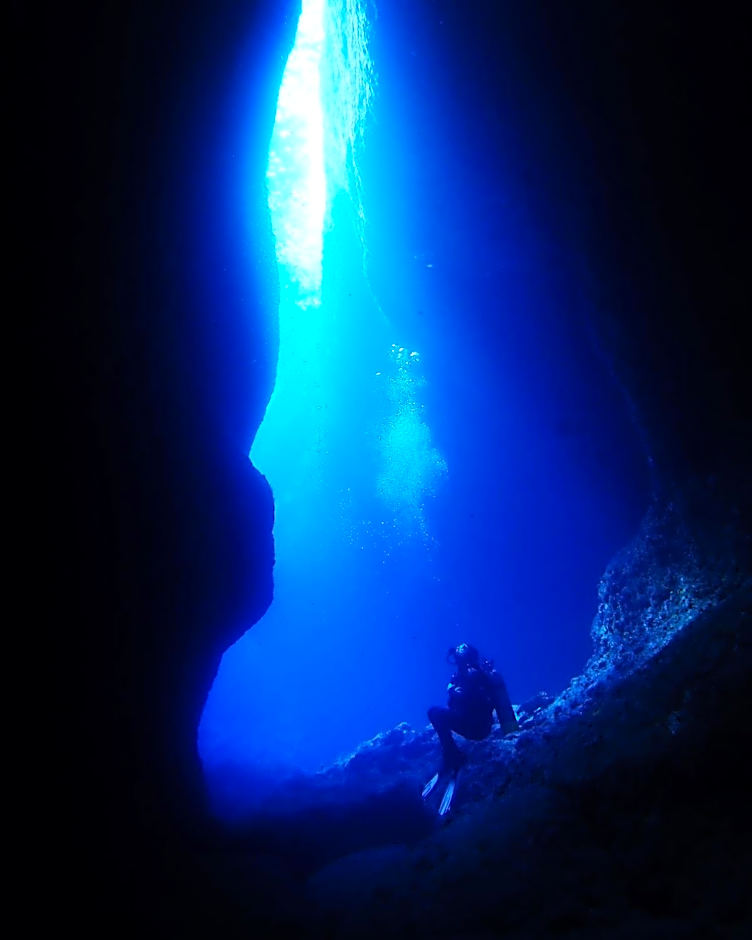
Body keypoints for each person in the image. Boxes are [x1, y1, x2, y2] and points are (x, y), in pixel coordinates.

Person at [428, 642, 519, 773]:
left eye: (460, 661)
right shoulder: (469, 677)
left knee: (434, 713)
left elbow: (475, 702)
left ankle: (453, 757)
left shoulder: (475, 677)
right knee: (437, 714)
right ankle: (452, 756)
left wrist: (456, 692)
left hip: (474, 727)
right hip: (480, 728)